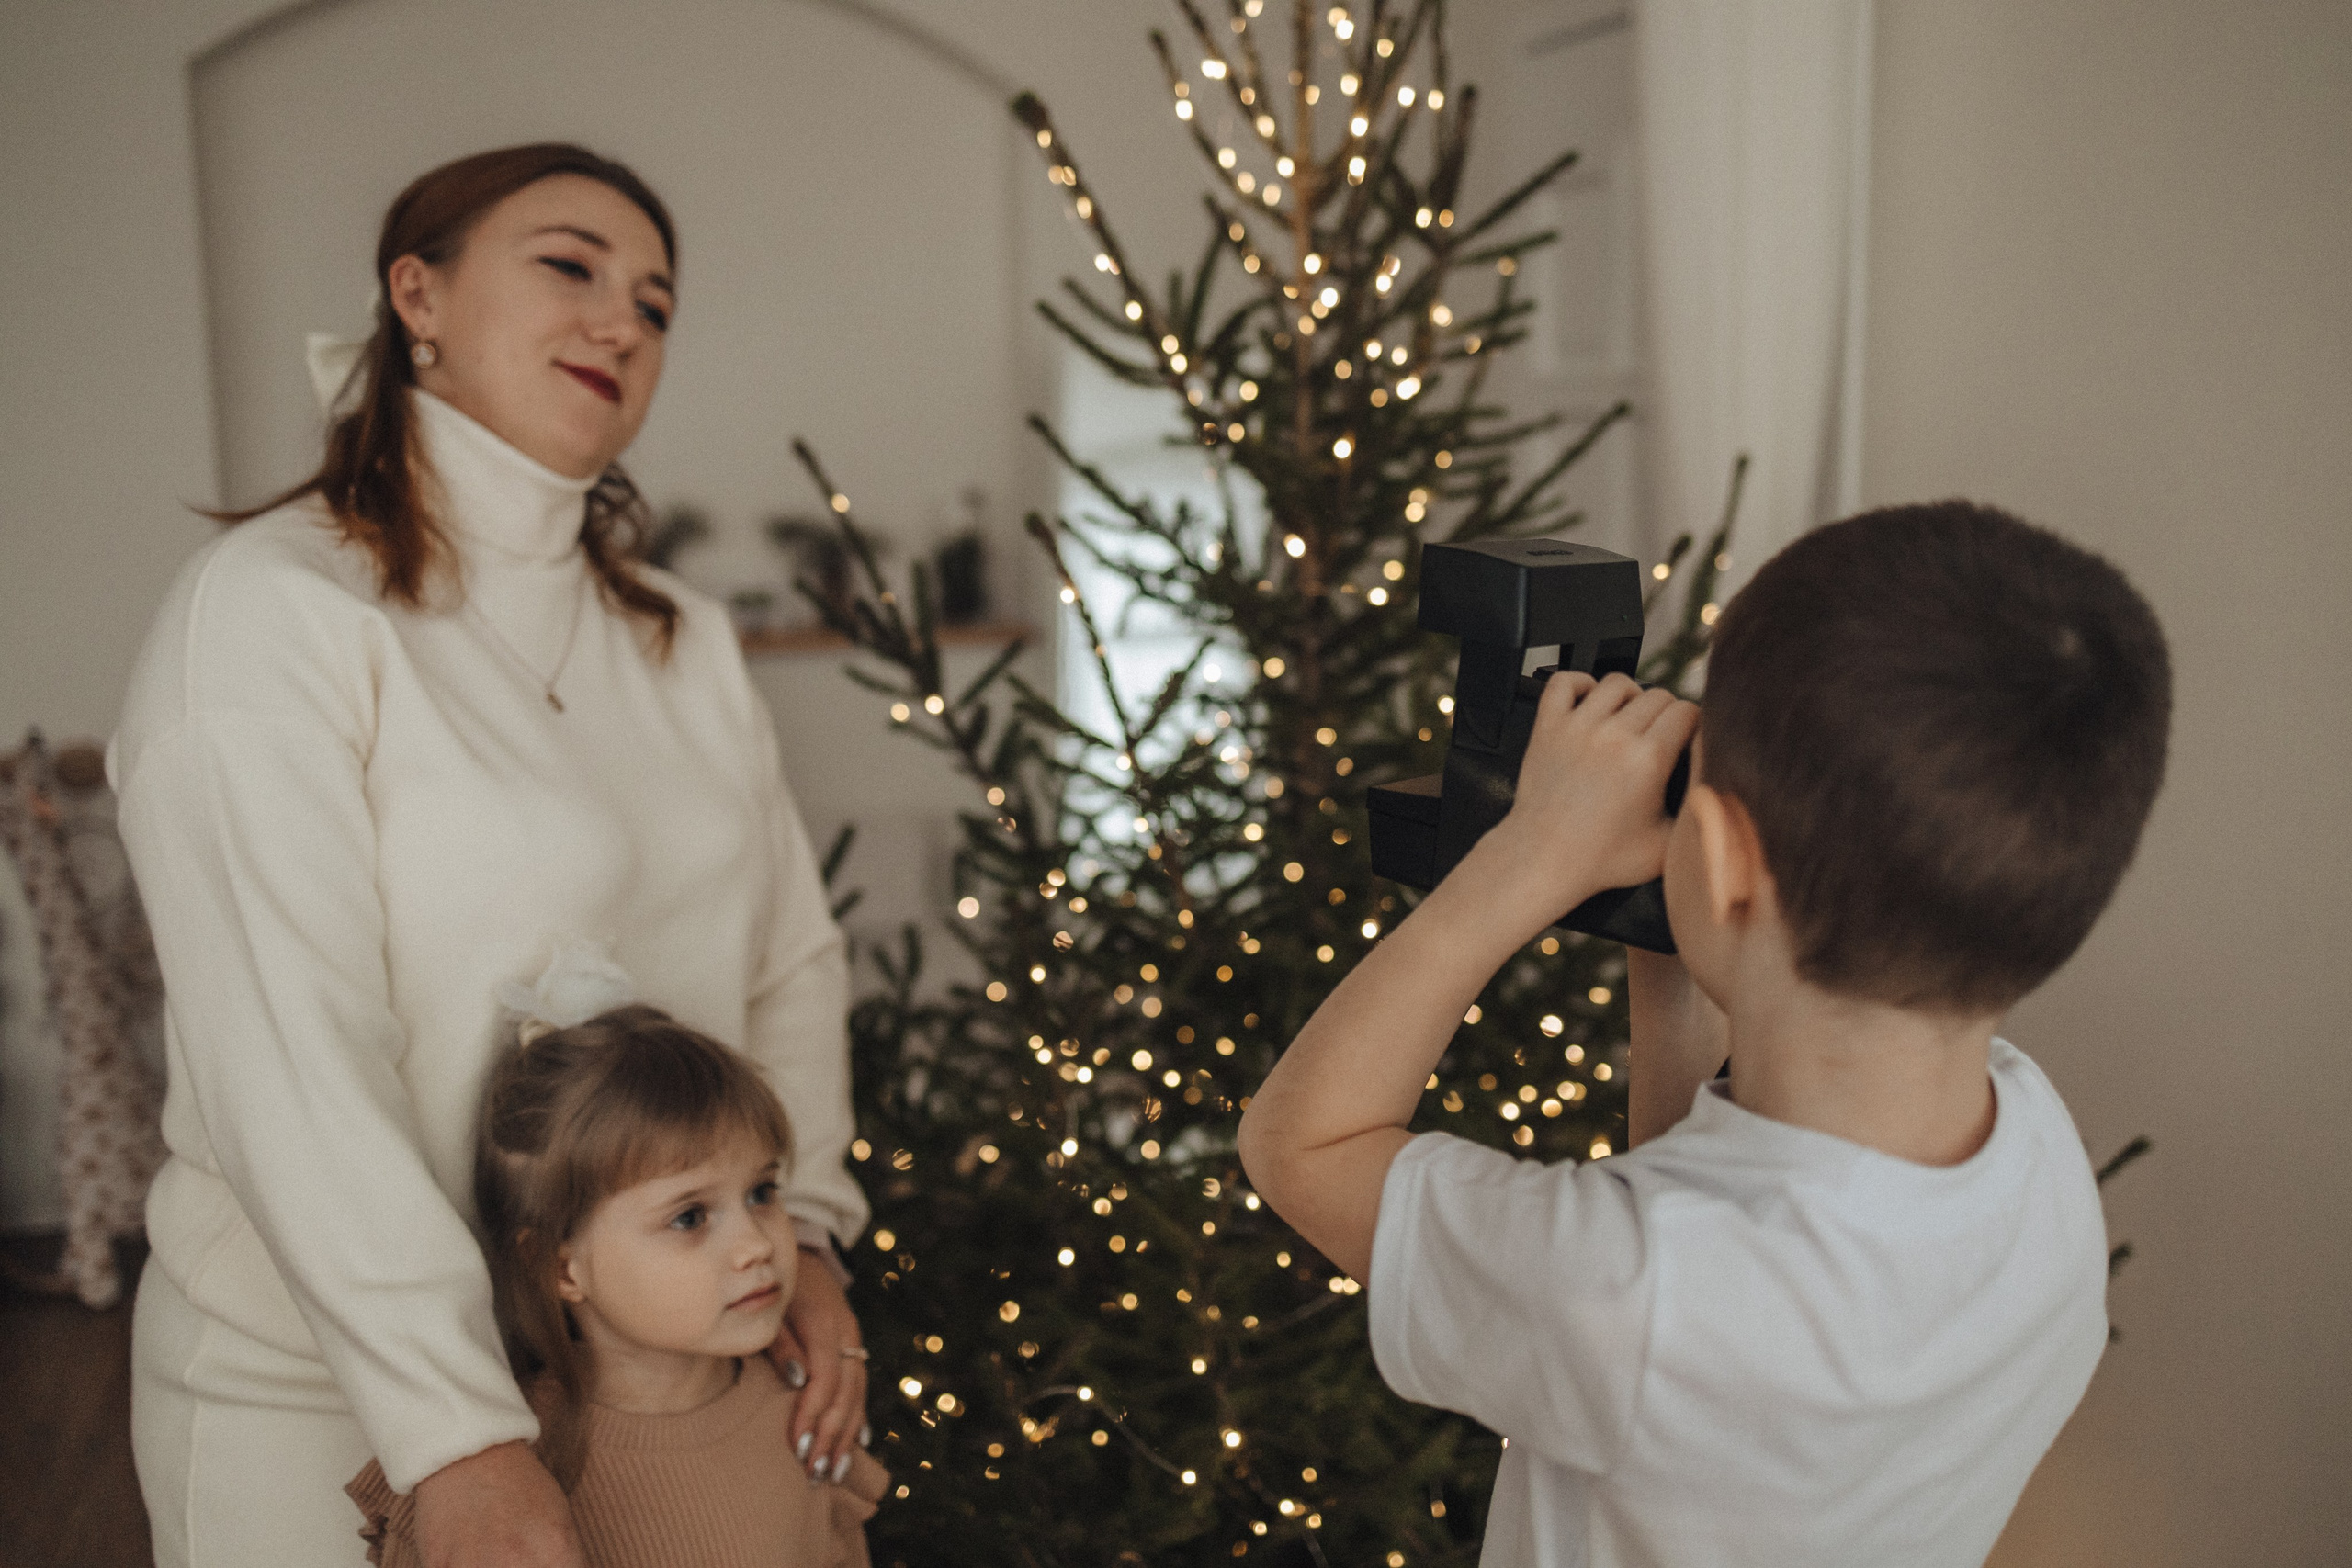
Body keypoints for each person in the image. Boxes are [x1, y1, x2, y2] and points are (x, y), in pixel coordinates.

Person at [111, 144, 870, 1568]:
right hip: (326, 1395)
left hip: (658, 1384)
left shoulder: (685, 639)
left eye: (656, 304)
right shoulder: (271, 611)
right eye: (571, 265)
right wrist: (454, 1428)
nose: (621, 323)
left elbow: (790, 965)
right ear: (419, 295)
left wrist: (804, 1226)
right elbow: (287, 1052)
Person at [1238, 502, 2172, 1566]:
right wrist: (1675, 931)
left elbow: (1302, 1145)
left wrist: (1526, 858)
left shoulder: (1628, 1300)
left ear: (1722, 857)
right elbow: (1697, 1192)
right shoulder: (2037, 1156)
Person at [346, 990, 888, 1567]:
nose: (757, 1244)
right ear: (562, 1268)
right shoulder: (498, 1470)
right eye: (690, 1218)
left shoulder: (806, 1418)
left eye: (761, 1192)